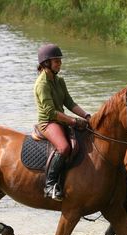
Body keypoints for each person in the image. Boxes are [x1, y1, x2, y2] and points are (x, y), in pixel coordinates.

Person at [34, 43, 91, 201]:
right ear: (46, 63)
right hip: (48, 122)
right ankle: (50, 185)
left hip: (61, 121)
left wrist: (87, 116)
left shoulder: (60, 81)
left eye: (60, 61)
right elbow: (51, 112)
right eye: (56, 61)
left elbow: (70, 103)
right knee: (64, 147)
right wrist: (73, 121)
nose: (60, 64)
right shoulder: (42, 84)